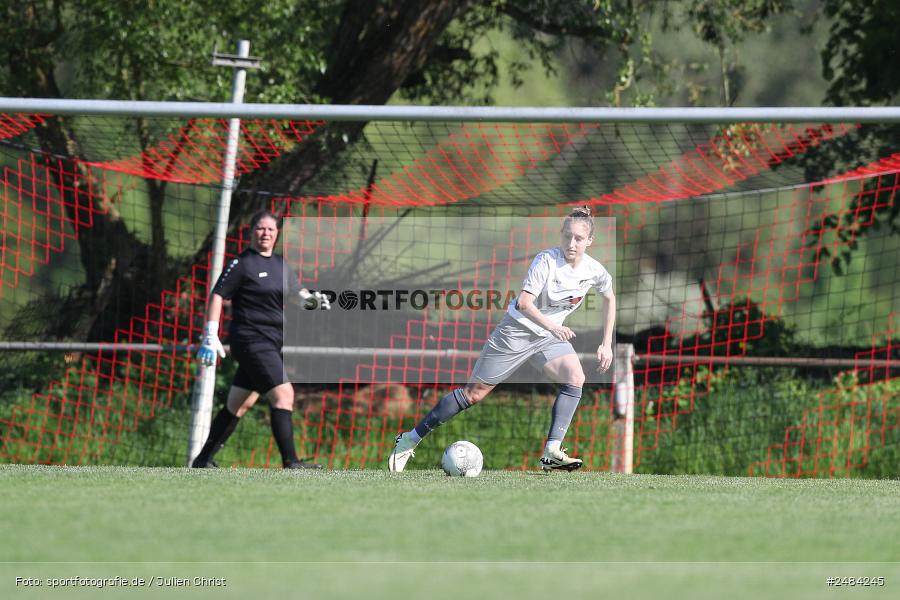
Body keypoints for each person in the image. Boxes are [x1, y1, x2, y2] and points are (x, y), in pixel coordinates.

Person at [388, 206, 615, 472]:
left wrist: (606, 343)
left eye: (578, 238)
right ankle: (409, 440)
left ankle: (552, 450)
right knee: (472, 395)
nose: (571, 243)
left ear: (590, 241)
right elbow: (524, 303)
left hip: (548, 337)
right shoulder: (546, 261)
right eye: (567, 236)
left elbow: (609, 297)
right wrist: (553, 327)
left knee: (575, 378)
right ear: (561, 235)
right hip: (516, 332)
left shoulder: (594, 270)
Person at [191, 210, 331, 469]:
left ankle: (202, 460)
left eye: (270, 229)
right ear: (251, 231)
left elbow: (295, 293)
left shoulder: (280, 264)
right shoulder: (242, 263)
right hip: (252, 342)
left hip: (271, 343)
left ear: (277, 234)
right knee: (284, 395)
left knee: (239, 404)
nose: (265, 233)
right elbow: (218, 295)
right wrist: (210, 335)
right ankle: (291, 462)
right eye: (260, 228)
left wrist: (312, 301)